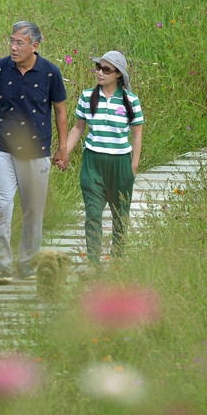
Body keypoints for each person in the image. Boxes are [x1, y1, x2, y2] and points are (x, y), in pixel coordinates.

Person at [0, 21, 69, 284]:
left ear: (35, 46)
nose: (13, 47)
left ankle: (27, 262)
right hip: (1, 148)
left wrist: (62, 148)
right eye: (11, 41)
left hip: (36, 150)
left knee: (33, 211)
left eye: (20, 43)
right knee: (0, 206)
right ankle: (0, 265)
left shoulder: (50, 73)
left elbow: (60, 111)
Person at [64, 50, 144, 266]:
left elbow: (137, 135)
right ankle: (93, 263)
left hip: (120, 163)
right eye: (98, 67)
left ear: (118, 74)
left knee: (120, 215)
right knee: (92, 213)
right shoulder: (87, 96)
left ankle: (117, 260)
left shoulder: (131, 101)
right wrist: (64, 152)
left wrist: (133, 166)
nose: (100, 72)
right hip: (93, 162)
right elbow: (78, 127)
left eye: (106, 69)